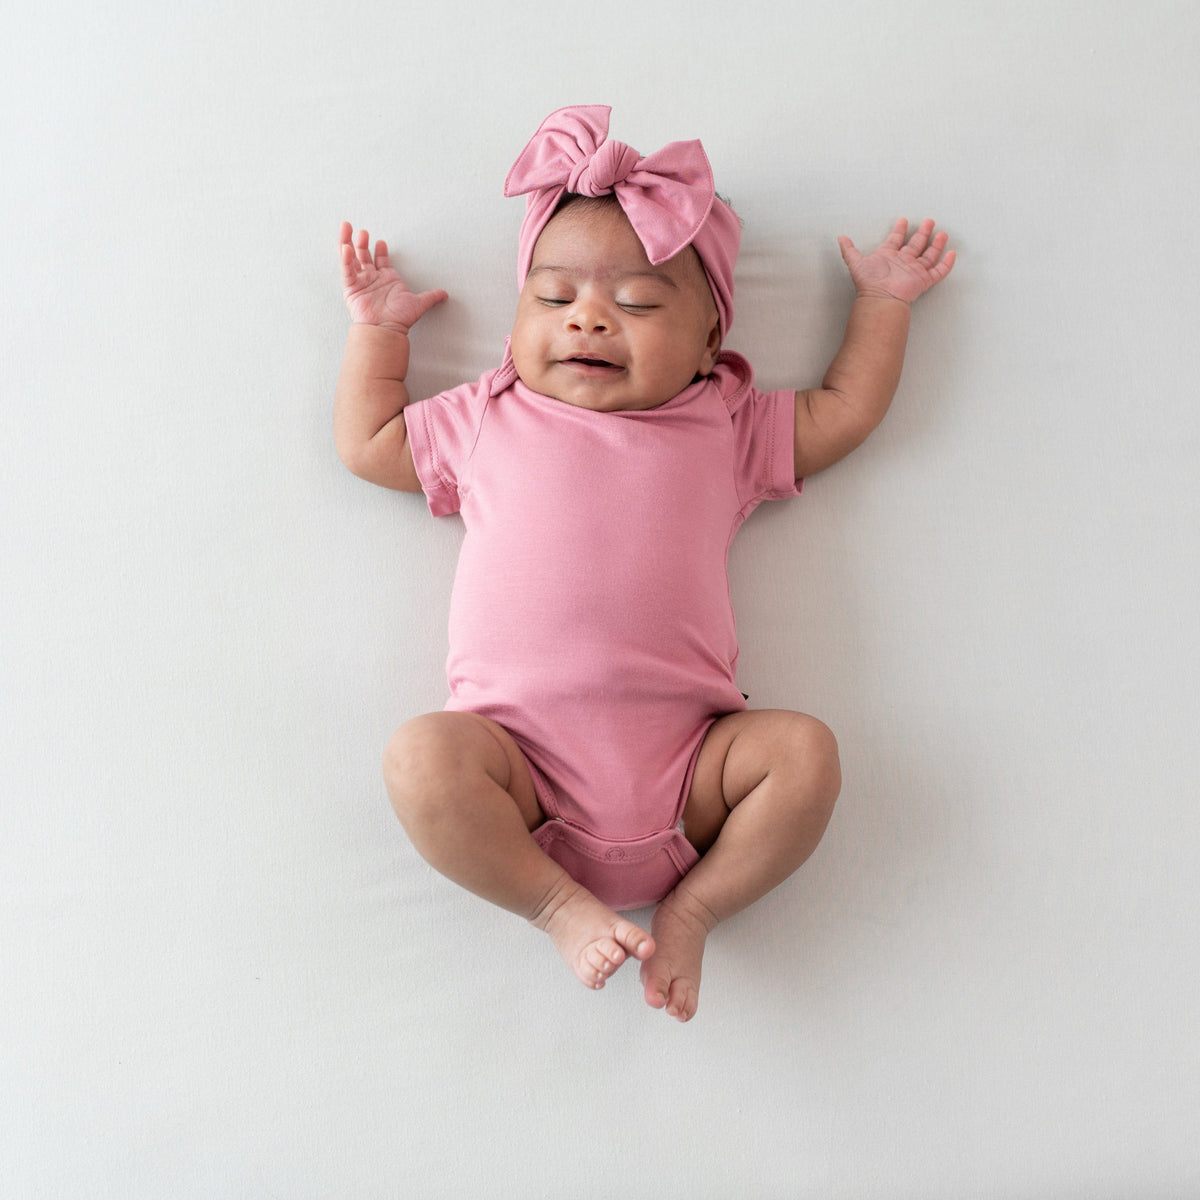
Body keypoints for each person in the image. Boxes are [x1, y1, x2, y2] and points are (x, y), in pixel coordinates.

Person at [334, 105, 955, 1022]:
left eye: (635, 304)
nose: (588, 321)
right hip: (518, 769)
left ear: (709, 345)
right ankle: (554, 902)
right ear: (516, 323)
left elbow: (843, 411)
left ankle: (696, 907)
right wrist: (381, 333)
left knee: (806, 755)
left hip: (695, 768)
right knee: (420, 758)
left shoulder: (722, 423)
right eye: (554, 300)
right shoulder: (486, 416)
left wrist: (884, 306)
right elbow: (368, 442)